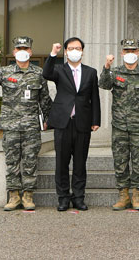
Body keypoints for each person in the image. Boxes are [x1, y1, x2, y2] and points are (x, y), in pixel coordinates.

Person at [0, 36, 52, 211]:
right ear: (14, 52)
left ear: (30, 52)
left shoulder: (39, 74)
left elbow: (45, 100)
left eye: (25, 49)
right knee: (12, 162)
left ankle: (28, 196)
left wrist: (48, 120)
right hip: (10, 126)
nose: (22, 52)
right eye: (19, 49)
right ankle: (13, 196)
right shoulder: (5, 72)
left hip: (31, 127)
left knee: (30, 161)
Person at [99, 39, 139, 211]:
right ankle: (123, 195)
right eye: (127, 51)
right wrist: (107, 66)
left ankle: (137, 194)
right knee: (120, 161)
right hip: (119, 126)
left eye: (133, 50)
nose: (130, 53)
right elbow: (103, 84)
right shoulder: (115, 72)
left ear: (138, 53)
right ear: (122, 53)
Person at [43, 38, 101, 211]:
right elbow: (46, 73)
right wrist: (53, 53)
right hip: (63, 122)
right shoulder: (59, 70)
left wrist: (95, 120)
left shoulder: (91, 72)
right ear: (66, 52)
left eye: (78, 48)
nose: (74, 51)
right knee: (61, 162)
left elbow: (95, 98)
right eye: (71, 48)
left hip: (82, 122)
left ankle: (78, 197)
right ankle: (63, 198)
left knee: (80, 163)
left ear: (82, 51)